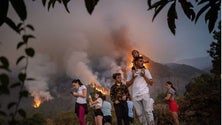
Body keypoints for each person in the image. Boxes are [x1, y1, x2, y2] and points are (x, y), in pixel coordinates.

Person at [126, 56, 154, 125]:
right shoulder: (131, 72)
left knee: (148, 112)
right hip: (135, 95)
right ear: (136, 62)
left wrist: (144, 75)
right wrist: (133, 77)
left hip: (145, 93)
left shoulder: (146, 71)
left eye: (142, 61)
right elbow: (127, 85)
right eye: (140, 61)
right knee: (140, 114)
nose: (142, 62)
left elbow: (151, 83)